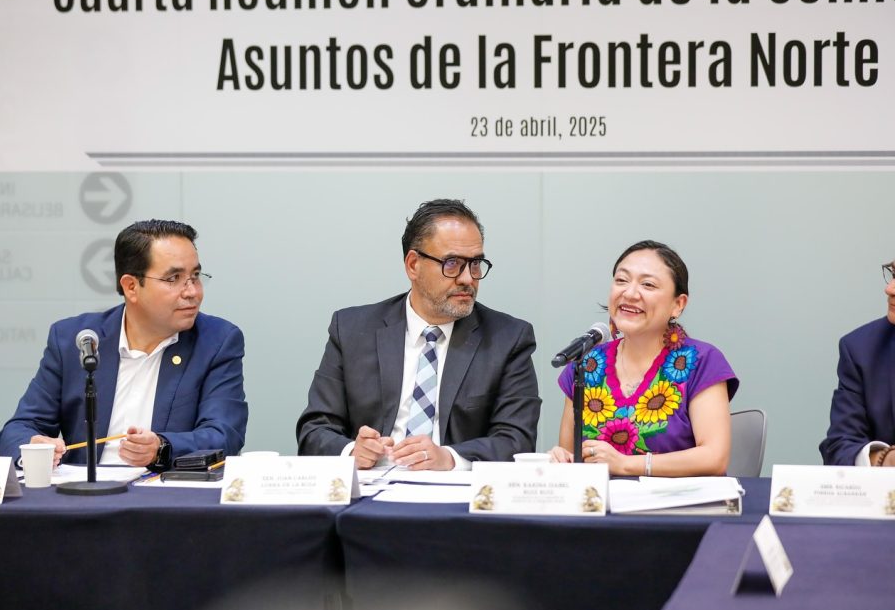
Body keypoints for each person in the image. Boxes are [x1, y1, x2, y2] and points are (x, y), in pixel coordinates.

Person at [296, 199, 541, 470]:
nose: (468, 278)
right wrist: (353, 451)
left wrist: (449, 458)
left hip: (456, 489)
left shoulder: (507, 339)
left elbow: (517, 440)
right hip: (372, 486)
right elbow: (314, 430)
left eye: (475, 263)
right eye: (452, 263)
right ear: (413, 265)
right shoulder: (352, 330)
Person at [0, 220, 247, 470]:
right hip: (82, 490)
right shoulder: (76, 339)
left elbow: (224, 435)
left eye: (195, 276)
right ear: (131, 287)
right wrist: (33, 447)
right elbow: (19, 429)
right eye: (174, 278)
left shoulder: (216, 341)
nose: (192, 292)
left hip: (165, 490)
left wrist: (161, 448)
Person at [548, 241, 737, 476]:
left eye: (648, 284)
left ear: (678, 305)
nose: (629, 293)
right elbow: (571, 458)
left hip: (677, 499)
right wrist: (562, 458)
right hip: (599, 498)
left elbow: (714, 457)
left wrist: (625, 464)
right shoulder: (586, 364)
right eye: (621, 280)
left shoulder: (701, 361)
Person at [819, 260, 895, 466]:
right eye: (894, 274)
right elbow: (839, 447)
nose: (889, 289)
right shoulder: (861, 350)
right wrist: (885, 460)